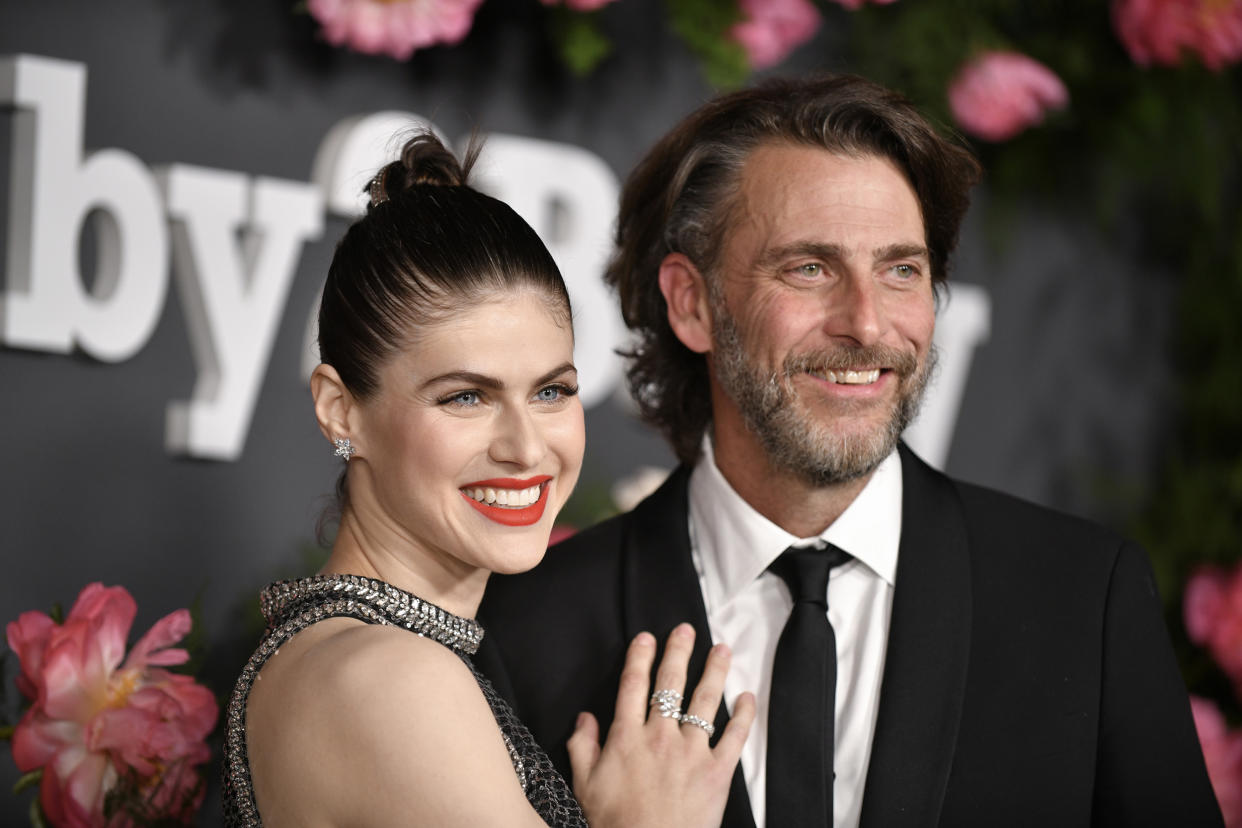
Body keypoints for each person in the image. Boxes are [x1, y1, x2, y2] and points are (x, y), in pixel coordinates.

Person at [477, 74, 1224, 827]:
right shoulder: (531, 631)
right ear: (692, 303)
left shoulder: (1081, 600)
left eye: (902, 270)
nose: (868, 325)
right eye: (810, 268)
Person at [221, 132, 755, 827]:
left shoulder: (349, 653)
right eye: (464, 397)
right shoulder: (392, 682)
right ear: (339, 408)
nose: (526, 447)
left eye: (552, 392)